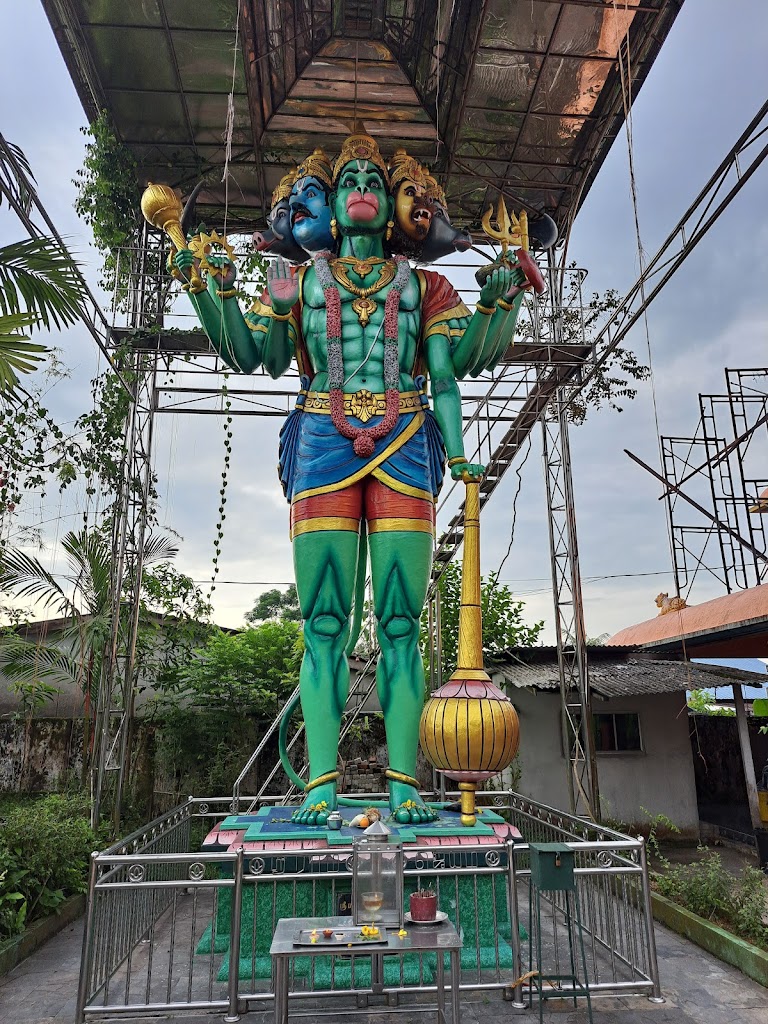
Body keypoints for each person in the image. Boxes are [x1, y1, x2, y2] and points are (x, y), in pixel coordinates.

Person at [174, 133, 526, 824]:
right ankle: (319, 787)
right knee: (324, 623)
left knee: (401, 621)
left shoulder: (427, 285)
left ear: (394, 208)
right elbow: (255, 356)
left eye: (373, 175)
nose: (362, 180)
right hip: (320, 441)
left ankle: (402, 787)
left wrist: (459, 450)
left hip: (403, 435)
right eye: (349, 177)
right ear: (333, 204)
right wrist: (207, 287)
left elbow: (452, 373)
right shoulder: (299, 281)